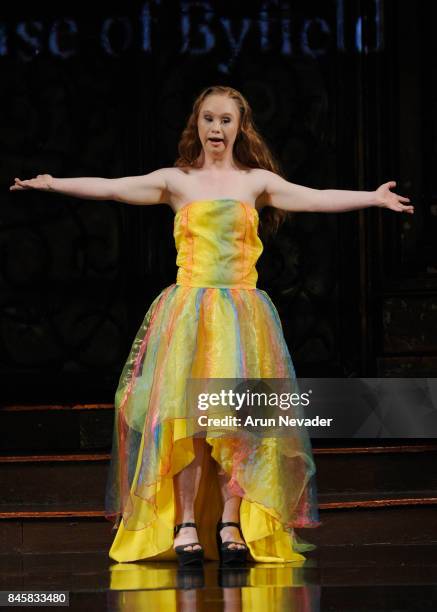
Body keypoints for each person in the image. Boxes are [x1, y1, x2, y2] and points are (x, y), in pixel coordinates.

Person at [10, 85, 414, 566]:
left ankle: (230, 523)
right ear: (195, 125)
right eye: (208, 119)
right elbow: (115, 186)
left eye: (225, 120)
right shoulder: (176, 181)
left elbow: (315, 196)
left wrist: (373, 197)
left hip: (242, 317)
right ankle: (184, 525)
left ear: (240, 127)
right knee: (190, 423)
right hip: (188, 316)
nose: (216, 128)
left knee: (239, 423)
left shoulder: (255, 181)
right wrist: (54, 183)